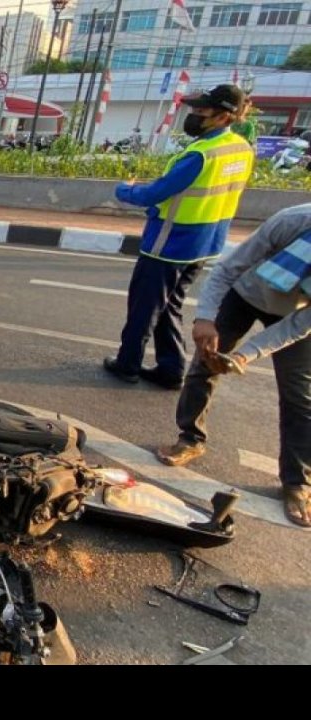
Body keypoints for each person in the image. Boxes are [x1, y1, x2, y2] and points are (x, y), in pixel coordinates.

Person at [154, 203, 311, 527]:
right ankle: (190, 438)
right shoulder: (292, 221)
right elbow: (227, 269)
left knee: (300, 396)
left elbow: (299, 326)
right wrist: (206, 318)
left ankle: (297, 482)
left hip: (296, 314)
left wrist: (245, 355)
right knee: (204, 364)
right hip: (244, 293)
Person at [104, 84, 255, 390]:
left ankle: (127, 365)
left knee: (144, 308)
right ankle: (171, 369)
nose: (194, 116)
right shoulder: (241, 149)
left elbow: (156, 193)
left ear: (224, 116)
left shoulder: (202, 154)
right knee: (171, 305)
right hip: (204, 244)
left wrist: (124, 189)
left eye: (201, 112)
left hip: (169, 244)